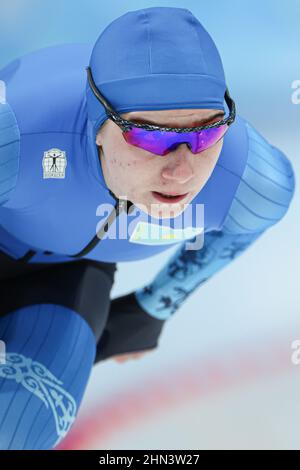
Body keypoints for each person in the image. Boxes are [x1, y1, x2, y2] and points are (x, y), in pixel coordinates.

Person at [0, 6, 295, 450]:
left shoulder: (248, 180)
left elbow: (254, 216)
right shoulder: (18, 136)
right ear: (97, 125)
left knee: (18, 431)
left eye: (206, 134)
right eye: (151, 137)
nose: (181, 171)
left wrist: (153, 308)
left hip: (70, 277)